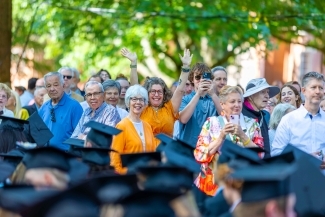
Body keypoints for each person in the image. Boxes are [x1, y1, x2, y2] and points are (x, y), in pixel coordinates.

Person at [194, 85, 263, 197]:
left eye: (239, 101)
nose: (237, 105)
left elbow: (259, 155)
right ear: (222, 104)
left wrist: (242, 135)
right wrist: (221, 137)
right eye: (232, 101)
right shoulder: (212, 123)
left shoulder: (252, 124)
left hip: (242, 181)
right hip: (213, 183)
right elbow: (200, 155)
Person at [122, 48, 193, 146]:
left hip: (166, 153)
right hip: (146, 152)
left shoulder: (170, 107)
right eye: (153, 91)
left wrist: (185, 67)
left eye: (159, 92)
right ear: (146, 93)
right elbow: (135, 88)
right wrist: (133, 64)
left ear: (164, 93)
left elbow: (180, 90)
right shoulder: (142, 107)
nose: (156, 95)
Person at [271, 72, 325, 158]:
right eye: (313, 87)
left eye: (321, 88)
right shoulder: (288, 120)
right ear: (303, 91)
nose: (318, 91)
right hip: (298, 170)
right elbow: (276, 153)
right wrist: (302, 158)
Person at [110, 85, 155, 174]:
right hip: (129, 177)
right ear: (128, 102)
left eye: (141, 99)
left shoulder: (147, 126)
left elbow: (152, 155)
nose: (138, 102)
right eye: (134, 99)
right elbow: (115, 159)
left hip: (147, 178)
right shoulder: (122, 126)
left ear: (145, 103)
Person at [178, 62, 222, 148]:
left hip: (210, 149)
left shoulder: (215, 99)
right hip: (188, 147)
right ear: (192, 80)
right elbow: (183, 119)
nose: (201, 80)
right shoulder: (185, 99)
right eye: (198, 77)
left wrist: (213, 94)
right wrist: (198, 94)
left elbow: (225, 117)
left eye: (205, 77)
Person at [39, 72, 83, 151]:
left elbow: (80, 136)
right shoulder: (44, 107)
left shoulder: (74, 106)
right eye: (48, 86)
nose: (52, 89)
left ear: (63, 85)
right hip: (45, 156)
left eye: (56, 85)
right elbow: (37, 133)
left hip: (66, 157)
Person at [242, 78, 280, 158]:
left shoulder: (262, 115)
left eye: (267, 92)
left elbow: (266, 146)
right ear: (251, 95)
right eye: (262, 92)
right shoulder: (241, 114)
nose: (267, 96)